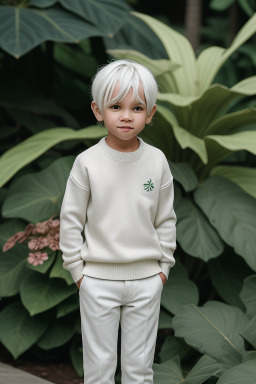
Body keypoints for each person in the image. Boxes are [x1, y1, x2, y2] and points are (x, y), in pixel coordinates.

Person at [59, 59, 177, 384]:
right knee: (99, 370)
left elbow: (165, 218)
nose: (126, 115)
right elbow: (70, 220)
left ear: (150, 114)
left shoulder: (156, 161)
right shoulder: (87, 163)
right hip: (96, 280)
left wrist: (162, 269)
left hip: (146, 281)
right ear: (98, 111)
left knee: (140, 370)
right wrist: (78, 272)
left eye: (137, 107)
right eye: (116, 106)